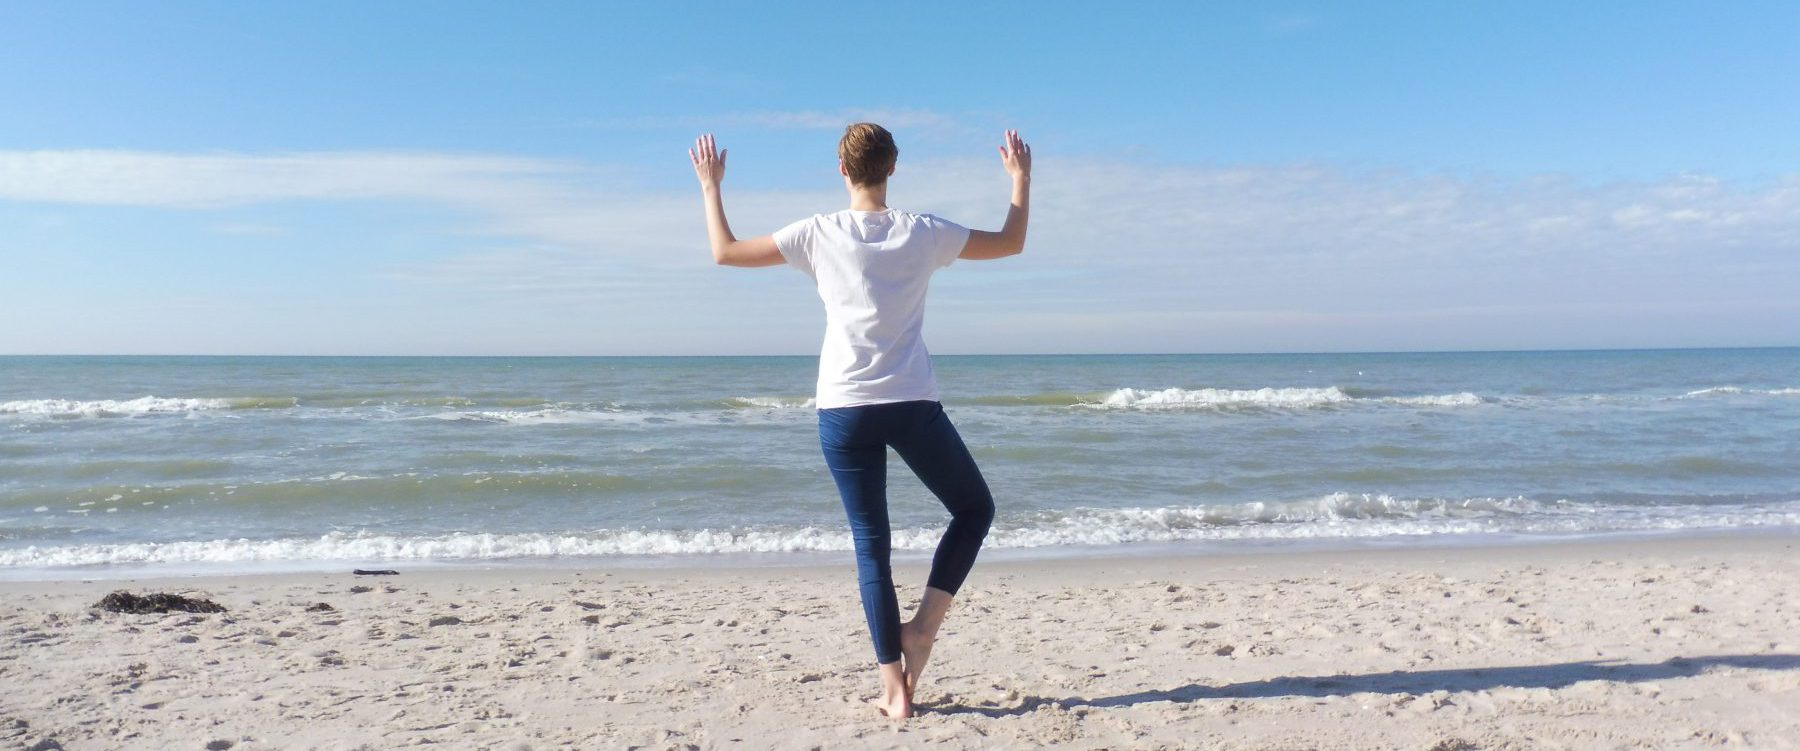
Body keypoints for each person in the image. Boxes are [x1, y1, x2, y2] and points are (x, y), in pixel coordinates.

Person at [690, 123, 1031, 718]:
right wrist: (1020, 180)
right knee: (974, 509)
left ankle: (895, 691)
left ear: (842, 171)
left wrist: (711, 187)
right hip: (911, 403)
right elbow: (1009, 242)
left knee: (872, 548)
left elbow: (725, 252)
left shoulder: (816, 233)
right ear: (891, 169)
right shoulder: (925, 233)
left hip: (843, 409)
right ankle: (922, 627)